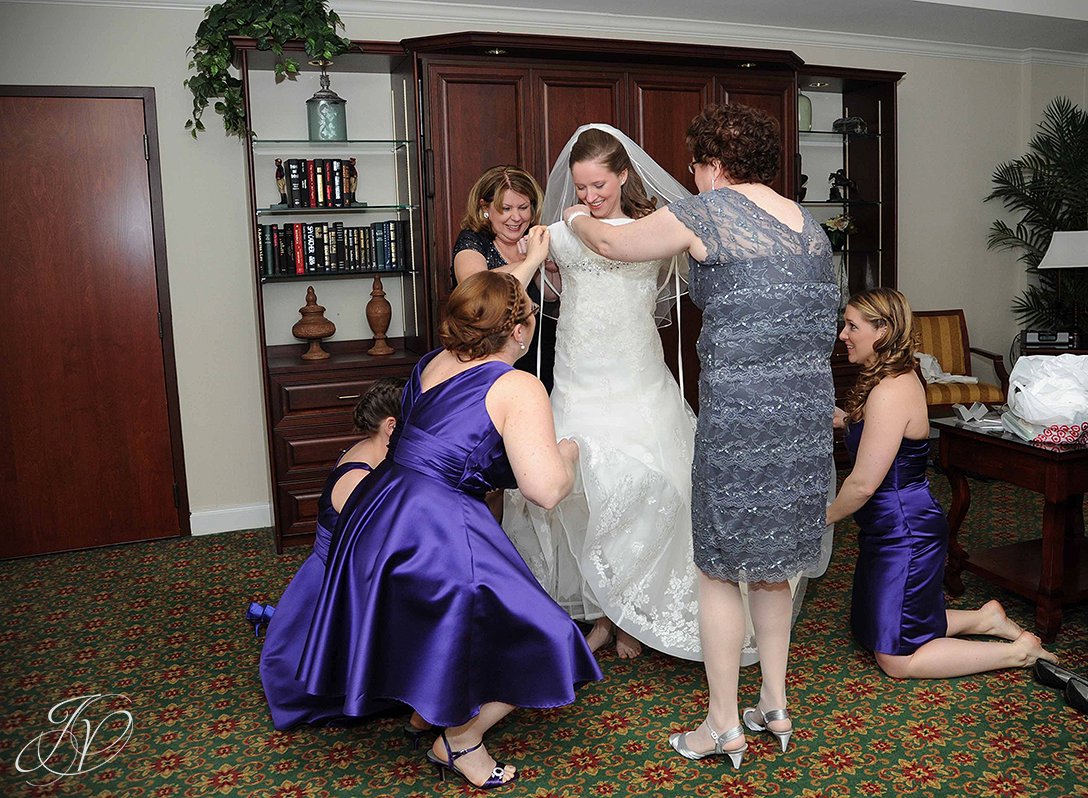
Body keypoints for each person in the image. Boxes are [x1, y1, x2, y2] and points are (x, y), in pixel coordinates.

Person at [563, 104, 837, 769]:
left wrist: (573, 215)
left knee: (718, 570)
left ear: (710, 164)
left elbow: (611, 243)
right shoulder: (812, 228)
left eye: (694, 164)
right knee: (775, 570)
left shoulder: (708, 212)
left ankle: (722, 725)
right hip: (803, 419)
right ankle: (773, 704)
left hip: (741, 418)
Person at [297, 265, 601, 789]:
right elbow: (546, 490)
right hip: (438, 520)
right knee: (549, 632)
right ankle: (460, 739)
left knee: (434, 616)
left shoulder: (434, 362)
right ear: (522, 330)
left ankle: (425, 711)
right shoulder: (518, 385)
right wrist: (568, 454)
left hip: (383, 505)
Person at [503, 124, 758, 663]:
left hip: (636, 371)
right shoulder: (561, 230)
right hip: (577, 370)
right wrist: (539, 257)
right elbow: (537, 290)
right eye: (581, 188)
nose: (590, 197)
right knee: (579, 490)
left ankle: (635, 616)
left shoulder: (652, 230)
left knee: (649, 483)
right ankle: (600, 610)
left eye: (600, 185)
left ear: (623, 175)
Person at [826, 287, 1058, 678]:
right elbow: (871, 430)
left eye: (852, 326)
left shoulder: (890, 391)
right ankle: (985, 619)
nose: (843, 335)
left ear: (881, 331)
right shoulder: (890, 378)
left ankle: (1018, 652)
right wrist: (832, 417)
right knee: (879, 626)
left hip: (906, 532)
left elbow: (863, 484)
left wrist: (821, 518)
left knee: (896, 660)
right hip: (886, 527)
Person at [259, 376, 419, 730]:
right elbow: (374, 546)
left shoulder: (373, 454)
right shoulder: (357, 479)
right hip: (339, 583)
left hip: (353, 571)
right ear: (391, 426)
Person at [453, 165, 560, 390]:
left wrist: (547, 266)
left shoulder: (534, 239)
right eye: (506, 208)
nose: (516, 217)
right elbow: (475, 288)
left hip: (543, 353)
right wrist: (529, 261)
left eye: (523, 207)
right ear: (485, 208)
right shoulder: (473, 240)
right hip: (491, 361)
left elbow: (550, 296)